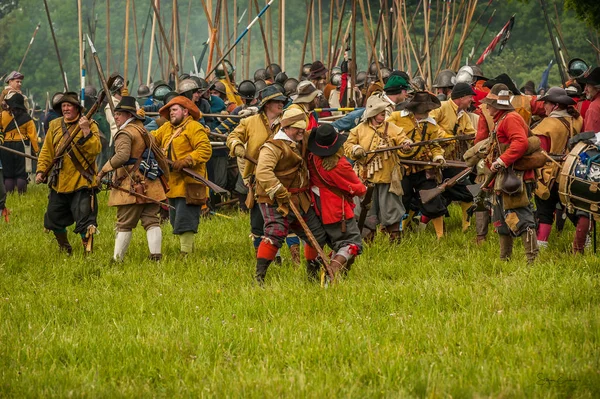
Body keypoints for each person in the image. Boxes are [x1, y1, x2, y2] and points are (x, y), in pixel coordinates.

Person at [227, 85, 301, 264]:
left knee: (289, 220)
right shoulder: (249, 122)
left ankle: (296, 260)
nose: (281, 104)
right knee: (259, 224)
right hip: (258, 180)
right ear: (267, 104)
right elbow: (232, 137)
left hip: (285, 178)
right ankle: (267, 261)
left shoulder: (288, 120)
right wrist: (236, 145)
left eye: (282, 101)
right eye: (277, 101)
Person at [254, 108, 329, 283]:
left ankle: (312, 277)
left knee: (315, 235)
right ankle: (259, 279)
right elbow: (263, 172)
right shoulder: (272, 147)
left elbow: (327, 137)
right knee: (275, 234)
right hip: (274, 200)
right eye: (296, 128)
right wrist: (279, 191)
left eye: (302, 127)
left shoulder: (302, 139)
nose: (301, 130)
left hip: (300, 199)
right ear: (285, 127)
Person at [97, 96, 170, 261]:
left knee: (124, 223)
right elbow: (160, 157)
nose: (116, 117)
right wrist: (166, 176)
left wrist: (103, 170)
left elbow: (122, 156)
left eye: (120, 114)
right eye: (116, 114)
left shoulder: (125, 132)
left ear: (129, 115)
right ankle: (155, 257)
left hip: (131, 184)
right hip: (150, 182)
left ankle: (117, 260)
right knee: (152, 221)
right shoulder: (143, 130)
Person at [477, 83, 539, 263]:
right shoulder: (503, 119)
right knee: (501, 220)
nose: (486, 106)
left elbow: (520, 143)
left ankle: (531, 260)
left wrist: (501, 160)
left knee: (522, 217)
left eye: (489, 103)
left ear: (497, 105)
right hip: (504, 177)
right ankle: (505, 259)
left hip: (515, 179)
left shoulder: (510, 118)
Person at [35, 92, 102, 255]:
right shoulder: (55, 125)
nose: (65, 108)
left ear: (77, 108)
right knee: (53, 218)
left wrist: (86, 130)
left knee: (85, 222)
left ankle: (88, 254)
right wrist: (41, 170)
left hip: (82, 181)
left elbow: (95, 150)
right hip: (60, 182)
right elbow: (47, 151)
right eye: (63, 106)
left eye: (69, 105)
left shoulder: (90, 124)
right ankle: (65, 249)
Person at [344, 95, 412, 242]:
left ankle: (395, 241)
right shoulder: (358, 130)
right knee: (365, 211)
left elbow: (403, 140)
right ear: (373, 114)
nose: (384, 114)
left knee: (392, 209)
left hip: (388, 177)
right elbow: (347, 146)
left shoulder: (393, 128)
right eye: (381, 112)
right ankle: (367, 242)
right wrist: (355, 149)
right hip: (365, 177)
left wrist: (406, 145)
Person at [152, 95, 212, 255]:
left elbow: (205, 150)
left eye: (174, 110)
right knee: (175, 220)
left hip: (190, 184)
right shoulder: (166, 128)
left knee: (185, 221)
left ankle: (186, 255)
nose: (171, 113)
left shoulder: (194, 127)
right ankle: (188, 252)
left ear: (185, 111)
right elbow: (152, 140)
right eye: (170, 110)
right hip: (172, 184)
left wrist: (187, 160)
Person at [530, 87, 586, 253]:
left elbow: (540, 154)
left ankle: (541, 248)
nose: (544, 107)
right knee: (575, 209)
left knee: (544, 211)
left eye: (546, 103)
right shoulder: (577, 120)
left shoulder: (547, 125)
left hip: (549, 175)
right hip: (572, 172)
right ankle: (586, 243)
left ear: (555, 105)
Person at [307, 124, 366, 276]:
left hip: (318, 207)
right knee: (351, 243)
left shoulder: (311, 157)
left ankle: (332, 274)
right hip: (336, 210)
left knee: (338, 244)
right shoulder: (340, 165)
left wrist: (338, 154)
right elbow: (358, 188)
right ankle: (331, 272)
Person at [387, 92, 447, 239]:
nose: (426, 114)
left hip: (423, 168)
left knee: (432, 199)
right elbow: (385, 131)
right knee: (402, 200)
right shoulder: (396, 117)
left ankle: (441, 237)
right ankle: (398, 233)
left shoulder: (432, 125)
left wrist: (437, 156)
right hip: (402, 167)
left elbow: (434, 145)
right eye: (423, 111)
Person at [430, 82, 478, 232]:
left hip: (452, 161)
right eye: (470, 97)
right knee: (467, 191)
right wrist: (446, 137)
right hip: (436, 159)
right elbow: (429, 124)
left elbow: (471, 134)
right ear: (462, 97)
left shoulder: (463, 115)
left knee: (460, 193)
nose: (472, 100)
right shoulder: (441, 107)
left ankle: (466, 227)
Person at [0, 92, 39, 193]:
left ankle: (10, 194)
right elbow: (33, 136)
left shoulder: (3, 115)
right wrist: (36, 151)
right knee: (21, 173)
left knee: (8, 173)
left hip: (6, 145)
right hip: (22, 146)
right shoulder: (27, 118)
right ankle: (21, 195)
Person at [578, 67, 600, 132]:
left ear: (597, 87)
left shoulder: (594, 107)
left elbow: (590, 136)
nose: (585, 89)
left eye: (588, 86)